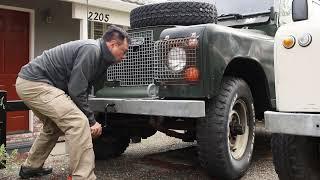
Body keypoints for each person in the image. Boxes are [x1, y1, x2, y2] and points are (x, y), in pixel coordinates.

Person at [15, 25, 129, 179]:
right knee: (77, 122)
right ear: (113, 44)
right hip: (35, 83)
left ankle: (30, 167)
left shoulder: (101, 59)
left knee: (53, 126)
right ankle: (83, 176)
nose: (125, 56)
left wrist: (91, 117)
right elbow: (76, 89)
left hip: (30, 83)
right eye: (124, 51)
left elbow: (84, 89)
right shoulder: (92, 50)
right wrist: (90, 120)